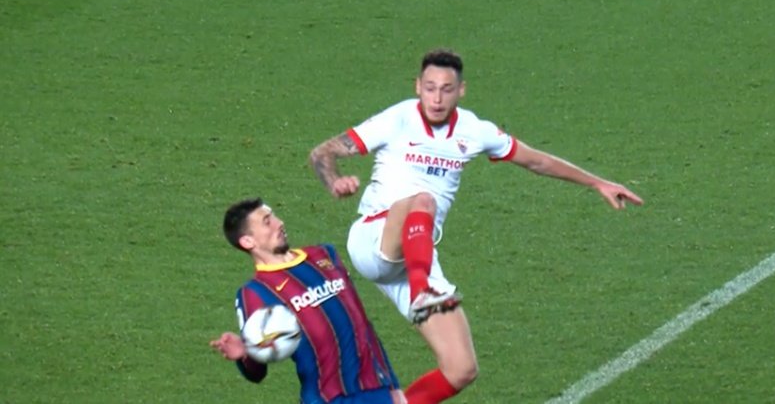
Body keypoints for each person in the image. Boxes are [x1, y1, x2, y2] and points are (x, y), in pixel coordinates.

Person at [308, 49, 644, 404]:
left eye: (446, 89)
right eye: (430, 88)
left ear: (462, 90)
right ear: (417, 86)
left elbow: (537, 161)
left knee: (461, 368)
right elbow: (323, 152)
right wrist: (334, 182)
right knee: (423, 200)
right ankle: (424, 292)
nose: (437, 98)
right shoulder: (397, 119)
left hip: (416, 254)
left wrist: (597, 183)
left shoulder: (475, 130)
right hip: (375, 238)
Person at [210, 197, 407, 404]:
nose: (279, 222)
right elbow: (256, 372)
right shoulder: (255, 292)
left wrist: (390, 386)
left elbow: (359, 322)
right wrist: (246, 353)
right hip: (330, 398)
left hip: (379, 386)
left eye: (274, 215)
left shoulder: (324, 254)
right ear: (248, 241)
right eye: (267, 221)